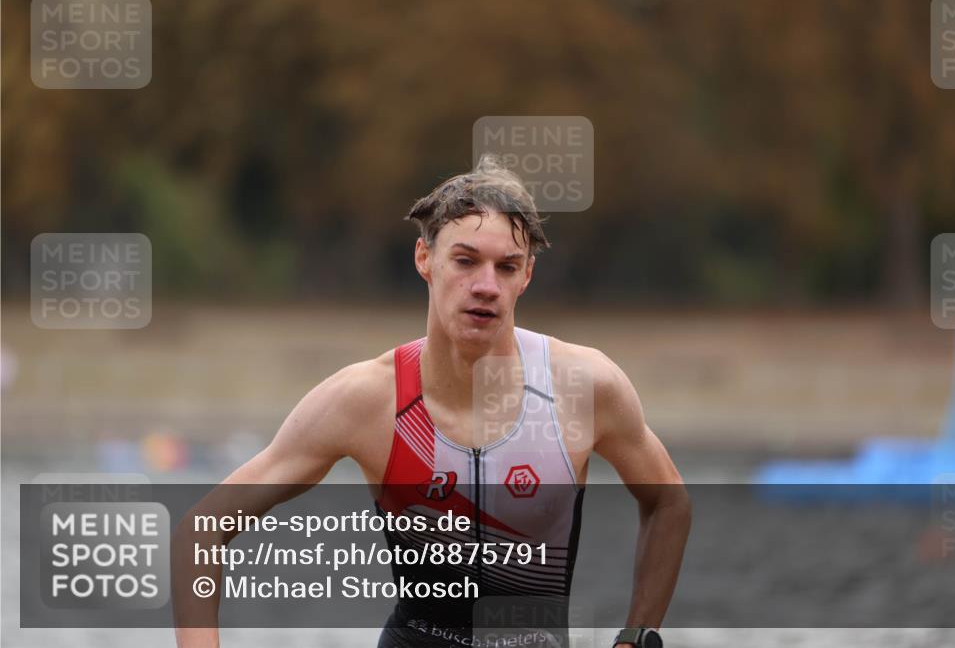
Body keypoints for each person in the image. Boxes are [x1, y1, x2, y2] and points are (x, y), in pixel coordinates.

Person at [174, 154, 690, 648]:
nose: (486, 286)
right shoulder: (366, 399)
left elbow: (668, 501)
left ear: (527, 274)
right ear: (425, 258)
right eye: (465, 261)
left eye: (506, 267)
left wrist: (636, 637)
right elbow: (200, 530)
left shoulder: (583, 385)